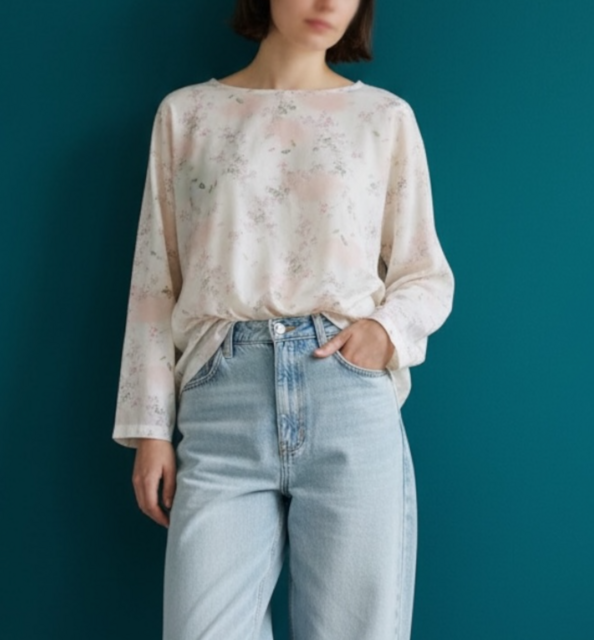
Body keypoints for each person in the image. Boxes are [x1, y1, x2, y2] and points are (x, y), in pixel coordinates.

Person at [112, 0, 455, 638]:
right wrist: (150, 428)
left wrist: (382, 335)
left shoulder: (383, 118)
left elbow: (424, 274)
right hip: (220, 399)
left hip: (346, 395)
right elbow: (156, 279)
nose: (328, 3)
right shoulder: (187, 114)